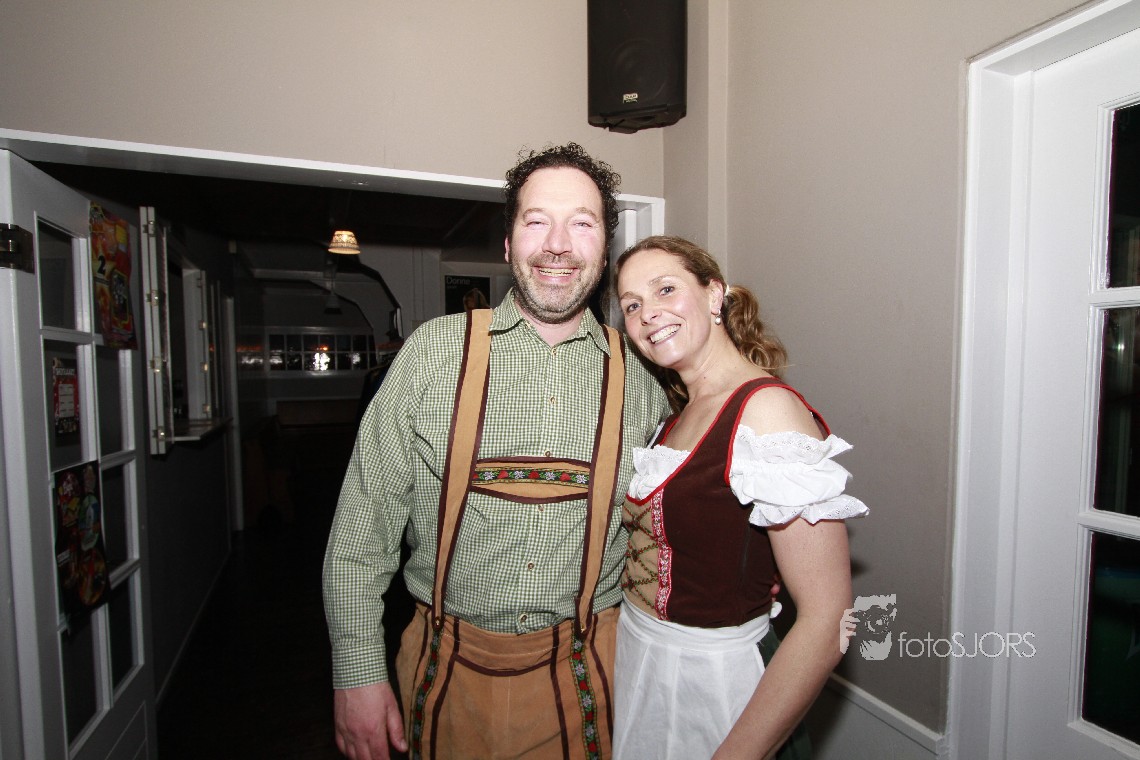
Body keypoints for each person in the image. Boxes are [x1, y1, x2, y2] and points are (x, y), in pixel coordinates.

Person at [323, 143, 670, 760]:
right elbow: (360, 530)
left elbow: (668, 529)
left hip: (597, 669)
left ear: (604, 249)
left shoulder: (645, 377)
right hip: (444, 669)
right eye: (537, 221)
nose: (558, 245)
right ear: (508, 246)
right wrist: (356, 674)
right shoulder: (432, 354)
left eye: (581, 223)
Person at [611, 235, 868, 759]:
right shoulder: (678, 414)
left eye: (665, 289)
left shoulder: (766, 412)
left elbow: (828, 620)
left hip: (714, 677)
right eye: (632, 305)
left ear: (714, 294)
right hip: (644, 660)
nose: (648, 314)